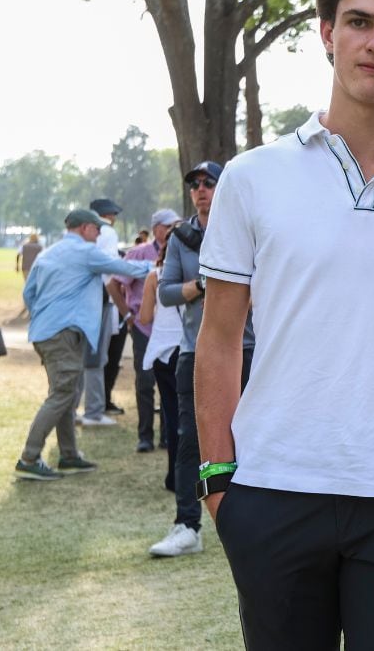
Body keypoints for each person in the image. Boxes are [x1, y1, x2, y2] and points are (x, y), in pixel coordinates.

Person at [194, 0, 374, 647]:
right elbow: (219, 340)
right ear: (326, 33)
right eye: (360, 22)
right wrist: (220, 482)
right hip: (272, 490)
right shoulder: (251, 178)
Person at [147, 160, 256, 558]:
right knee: (189, 440)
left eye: (209, 182)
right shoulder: (181, 238)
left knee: (253, 435)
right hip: (195, 351)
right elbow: (167, 292)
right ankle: (186, 525)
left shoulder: (244, 224)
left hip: (248, 348)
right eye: (194, 184)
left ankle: (252, 519)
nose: (201, 189)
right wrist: (207, 283)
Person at [15, 209, 151, 480]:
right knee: (62, 394)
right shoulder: (86, 252)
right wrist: (157, 268)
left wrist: (46, 319)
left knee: (65, 394)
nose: (100, 233)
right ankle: (29, 457)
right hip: (64, 333)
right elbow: (125, 268)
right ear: (85, 228)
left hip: (47, 333)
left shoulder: (47, 253)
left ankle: (69, 455)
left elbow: (28, 294)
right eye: (97, 228)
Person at [108, 209, 178, 453]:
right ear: (157, 227)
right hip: (143, 326)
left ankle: (167, 436)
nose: (170, 231)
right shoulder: (139, 252)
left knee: (170, 382)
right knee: (145, 381)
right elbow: (113, 283)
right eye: (168, 226)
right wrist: (127, 314)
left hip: (170, 328)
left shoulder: (177, 249)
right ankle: (145, 435)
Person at [137, 226, 182, 494]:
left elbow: (144, 317)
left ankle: (173, 476)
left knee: (171, 414)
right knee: (188, 417)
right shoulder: (194, 276)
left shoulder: (154, 276)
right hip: (186, 349)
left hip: (161, 350)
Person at [80, 197, 127, 425]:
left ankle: (79, 410)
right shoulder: (107, 232)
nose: (114, 219)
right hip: (100, 299)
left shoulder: (74, 235)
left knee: (82, 357)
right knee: (97, 357)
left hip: (80, 300)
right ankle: (94, 411)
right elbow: (109, 269)